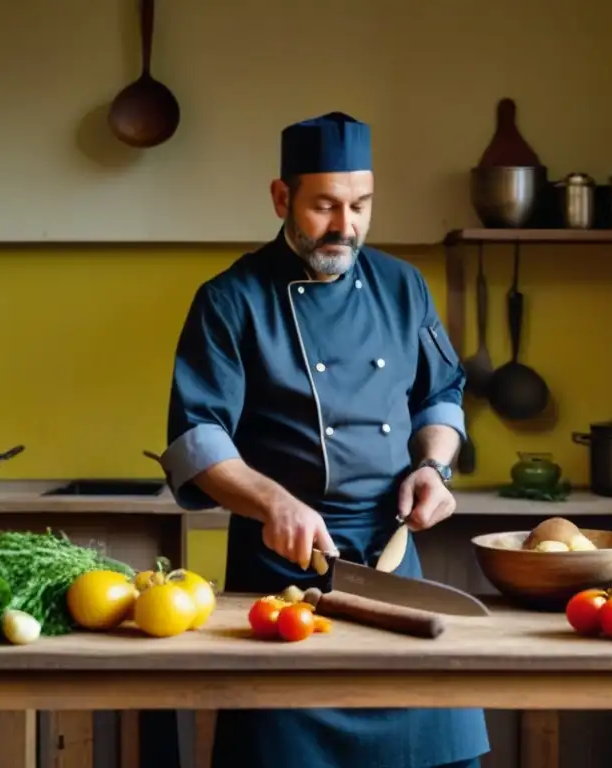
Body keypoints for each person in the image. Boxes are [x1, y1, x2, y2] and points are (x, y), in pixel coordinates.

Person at [160, 111, 489, 768]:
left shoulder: (403, 286)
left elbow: (440, 392)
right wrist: (271, 502)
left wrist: (434, 467)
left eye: (361, 205)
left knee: (438, 745)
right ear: (282, 198)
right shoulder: (231, 299)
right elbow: (197, 435)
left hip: (394, 563)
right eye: (325, 206)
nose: (346, 226)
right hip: (286, 574)